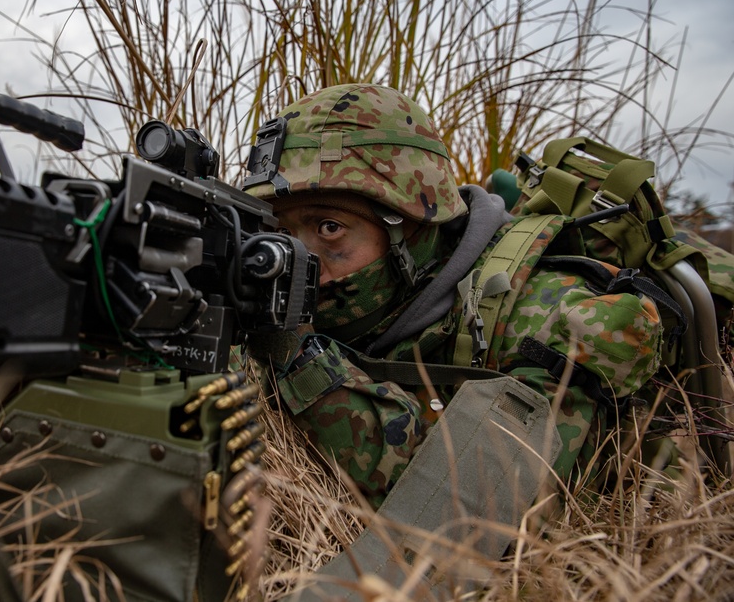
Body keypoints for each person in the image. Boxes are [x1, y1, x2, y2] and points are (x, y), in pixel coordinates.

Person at [242, 83, 664, 509]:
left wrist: (298, 358)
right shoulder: (365, 304)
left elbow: (466, 514)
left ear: (413, 228)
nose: (295, 259)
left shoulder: (559, 320)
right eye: (280, 233)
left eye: (329, 228)